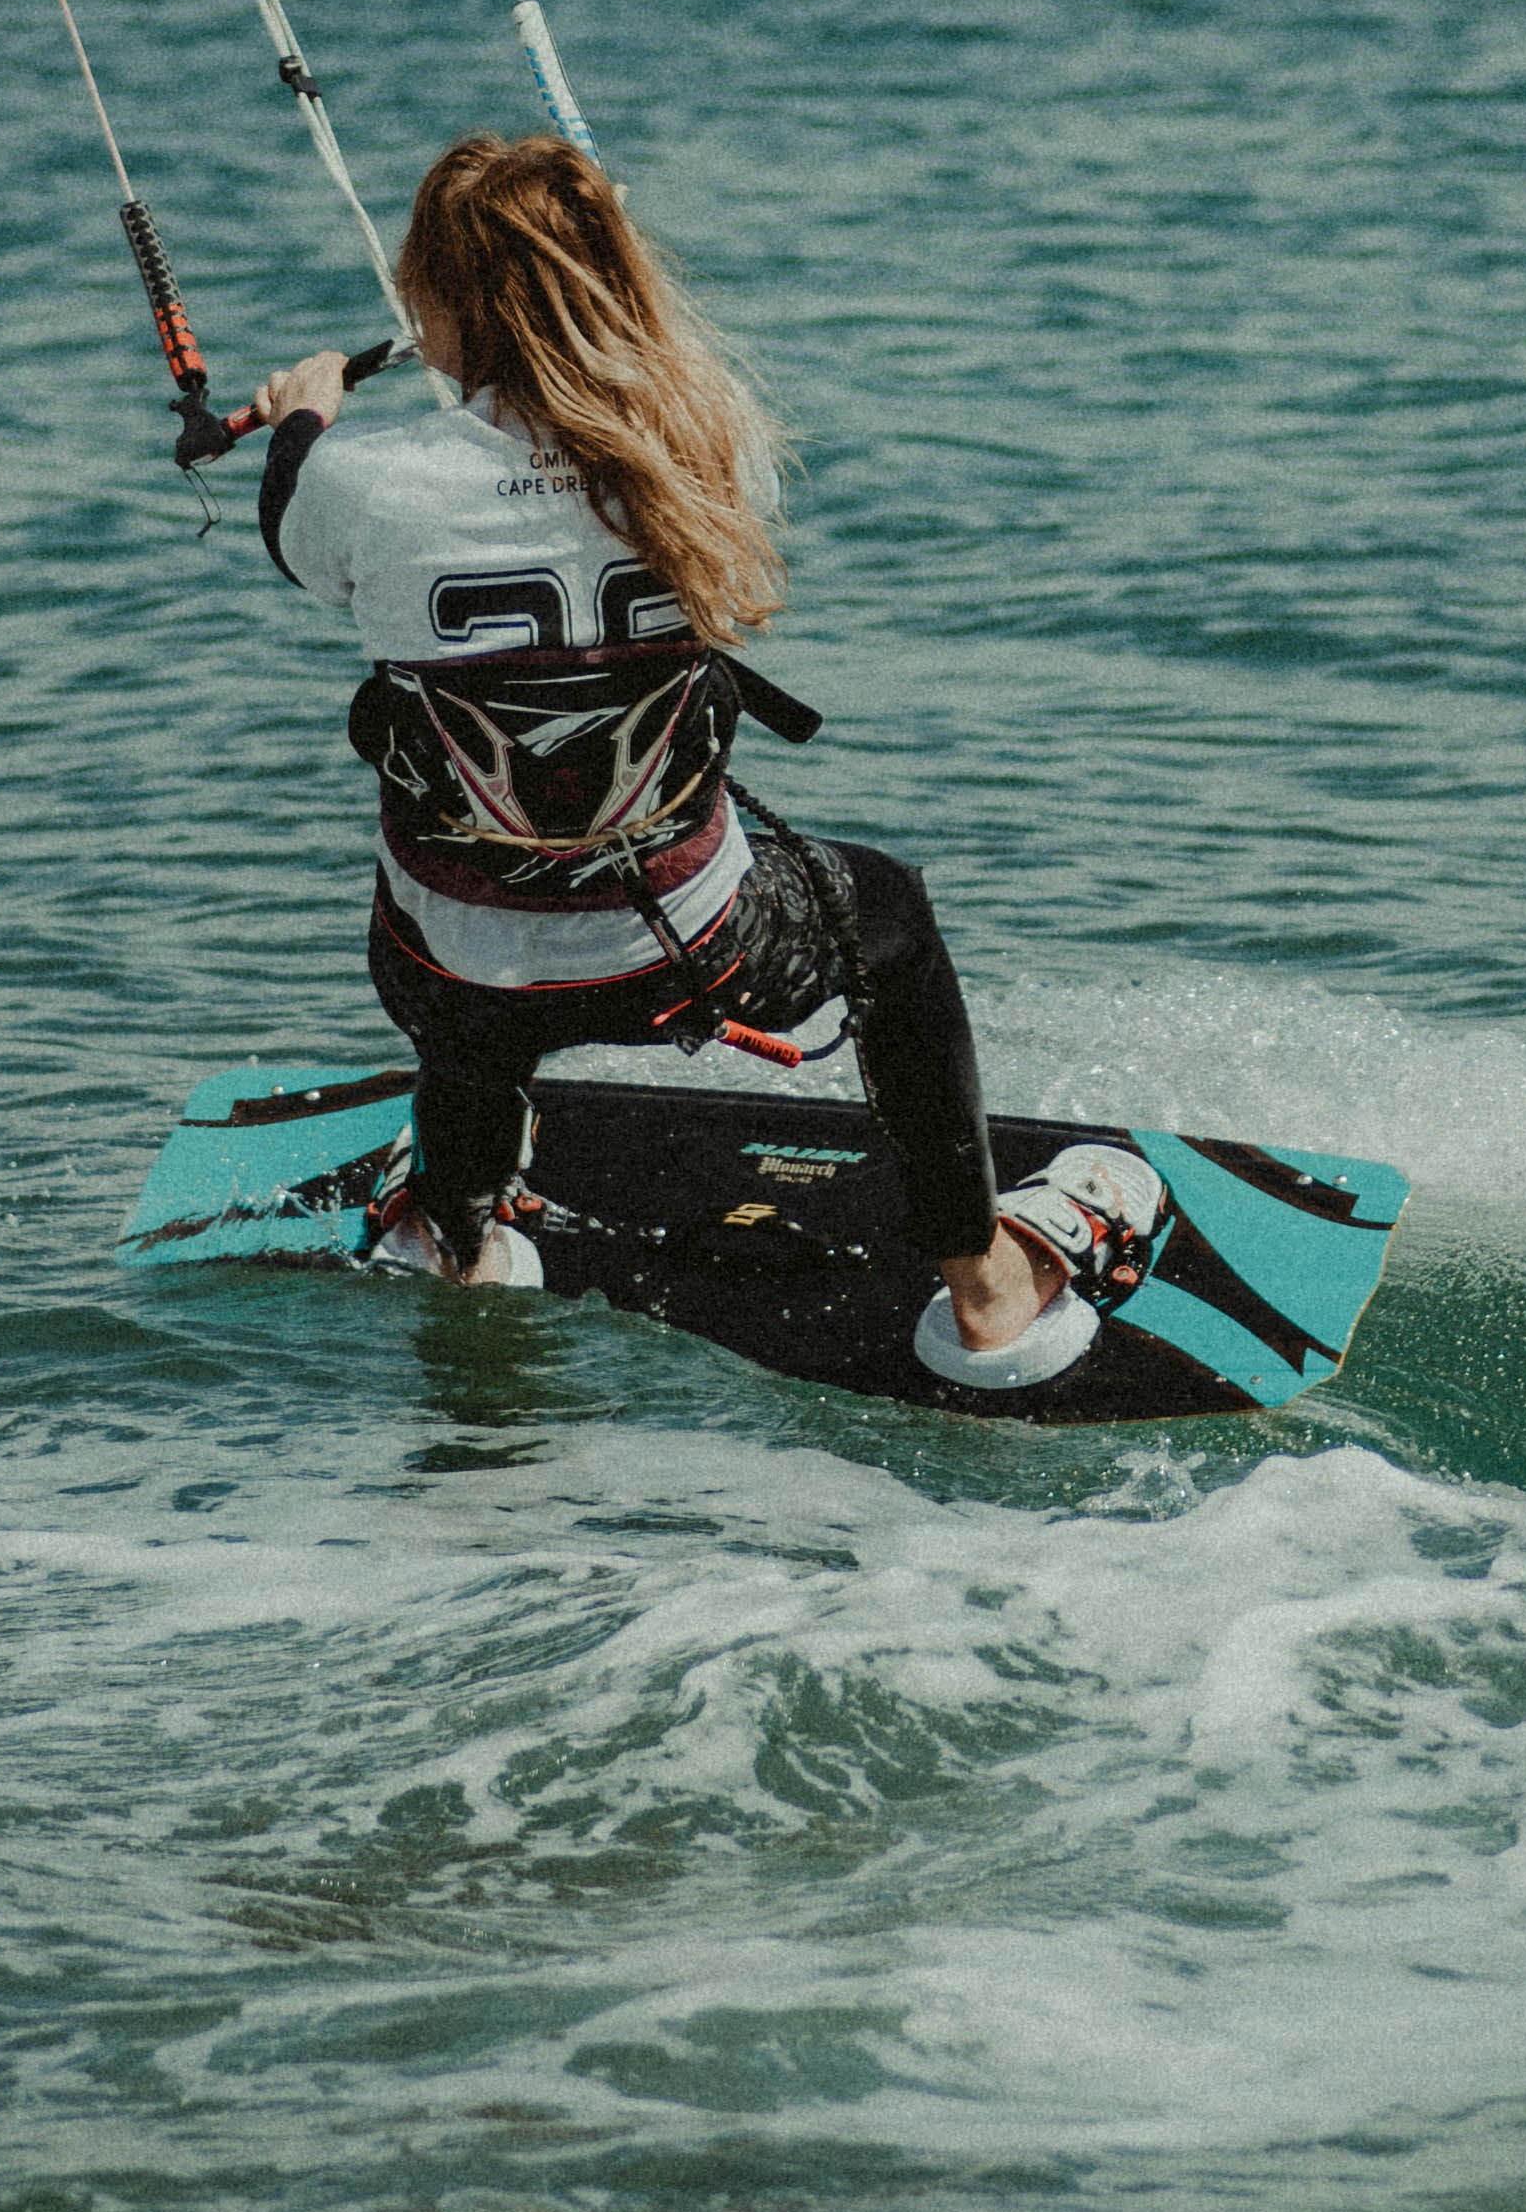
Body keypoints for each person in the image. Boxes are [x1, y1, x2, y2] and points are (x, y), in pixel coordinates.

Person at [246, 133, 1149, 1389]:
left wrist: (298, 415)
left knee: (445, 913)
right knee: (884, 912)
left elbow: (290, 523)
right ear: (613, 281)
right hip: (690, 947)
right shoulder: (704, 441)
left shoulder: (357, 481)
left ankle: (458, 1233)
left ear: (438, 300)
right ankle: (984, 1285)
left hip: (457, 973)